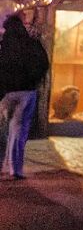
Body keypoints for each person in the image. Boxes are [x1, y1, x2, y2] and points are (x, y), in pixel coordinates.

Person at [0, 12, 49, 180]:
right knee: (19, 131)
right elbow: (43, 62)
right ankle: (16, 168)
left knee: (4, 129)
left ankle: (4, 164)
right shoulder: (30, 41)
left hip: (6, 93)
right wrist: (34, 80)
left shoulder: (4, 42)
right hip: (27, 91)